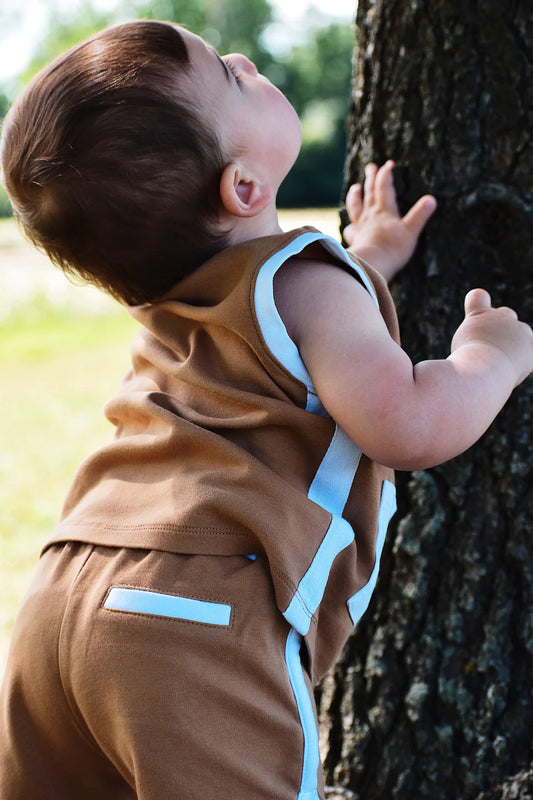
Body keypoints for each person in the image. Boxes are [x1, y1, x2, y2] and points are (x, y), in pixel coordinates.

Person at [0, 19, 531, 800]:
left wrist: (367, 258)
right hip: (191, 622)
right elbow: (408, 423)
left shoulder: (174, 305)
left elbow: (286, 327)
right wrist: (488, 357)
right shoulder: (312, 287)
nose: (245, 58)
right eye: (228, 73)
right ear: (243, 188)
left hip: (60, 602)